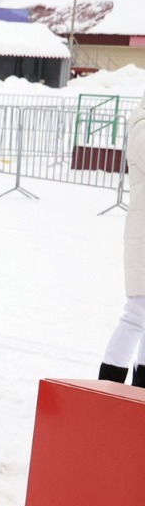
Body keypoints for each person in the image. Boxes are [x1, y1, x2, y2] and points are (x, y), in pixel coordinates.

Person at [101, 94, 145, 387]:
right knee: (137, 312)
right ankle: (108, 386)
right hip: (143, 234)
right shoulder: (141, 124)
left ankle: (140, 394)